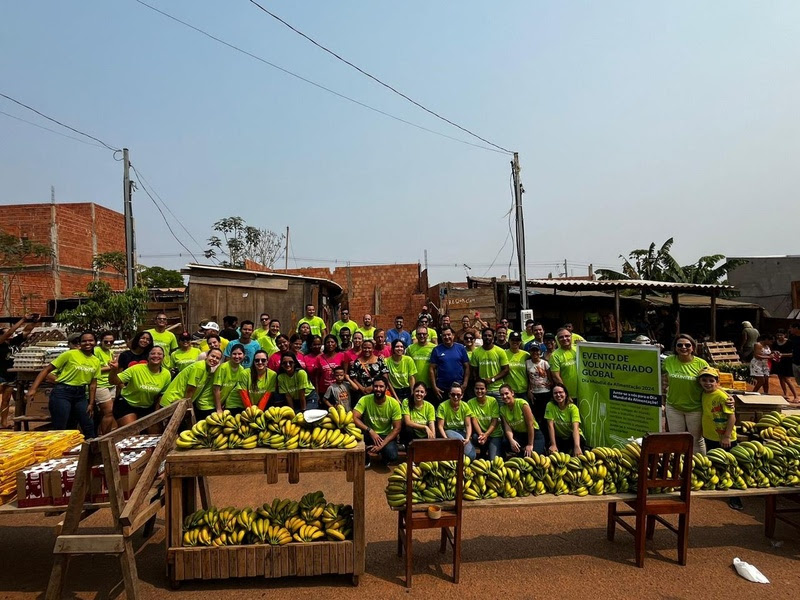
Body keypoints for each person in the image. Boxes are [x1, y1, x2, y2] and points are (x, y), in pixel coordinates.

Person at [26, 330, 99, 437]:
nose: (87, 343)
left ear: (95, 342)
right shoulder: (70, 354)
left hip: (80, 394)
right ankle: (59, 451)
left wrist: (91, 403)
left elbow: (93, 384)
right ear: (80, 343)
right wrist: (33, 389)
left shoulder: (95, 361)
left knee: (88, 424)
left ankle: (92, 451)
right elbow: (46, 370)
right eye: (84, 341)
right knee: (61, 425)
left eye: (90, 340)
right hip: (63, 392)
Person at [698, 367, 743, 510]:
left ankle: (735, 497)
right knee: (716, 463)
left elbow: (732, 417)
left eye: (711, 380)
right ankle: (720, 487)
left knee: (730, 466)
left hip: (725, 438)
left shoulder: (722, 396)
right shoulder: (704, 394)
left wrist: (727, 436)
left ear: (717, 382)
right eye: (704, 380)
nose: (708, 383)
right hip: (710, 436)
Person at [663, 334, 709, 455]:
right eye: (680, 345)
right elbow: (656, 372)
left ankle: (700, 467)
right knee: (676, 439)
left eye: (687, 345)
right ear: (675, 348)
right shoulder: (668, 361)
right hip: (674, 407)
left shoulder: (701, 364)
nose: (684, 347)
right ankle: (679, 466)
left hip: (695, 408)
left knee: (696, 440)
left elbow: (711, 382)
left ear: (693, 347)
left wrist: (725, 397)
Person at [110, 346, 172, 427]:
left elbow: (161, 395)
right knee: (131, 432)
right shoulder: (136, 369)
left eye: (159, 354)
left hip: (148, 407)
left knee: (155, 434)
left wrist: (157, 414)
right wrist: (114, 370)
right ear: (148, 356)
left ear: (163, 357)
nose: (156, 356)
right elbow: (113, 381)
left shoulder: (166, 374)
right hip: (127, 404)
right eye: (153, 353)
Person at [160, 348, 223, 420]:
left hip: (180, 401)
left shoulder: (208, 369)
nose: (214, 359)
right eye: (212, 356)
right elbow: (190, 390)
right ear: (207, 356)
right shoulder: (199, 367)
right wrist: (186, 408)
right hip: (172, 400)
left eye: (217, 358)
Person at [353, 376, 402, 467]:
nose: (378, 389)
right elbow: (354, 417)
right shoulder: (365, 399)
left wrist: (382, 445)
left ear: (386, 388)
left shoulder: (394, 403)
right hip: (369, 433)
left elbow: (397, 428)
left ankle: (382, 453)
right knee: (353, 432)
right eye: (375, 386)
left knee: (392, 456)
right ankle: (366, 456)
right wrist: (370, 430)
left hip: (386, 435)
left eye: (381, 386)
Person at [0, 314, 38, 428]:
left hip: (10, 375)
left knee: (6, 401)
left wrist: (34, 322)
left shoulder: (14, 342)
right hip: (0, 374)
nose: (11, 335)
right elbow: (9, 333)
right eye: (8, 333)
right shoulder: (0, 342)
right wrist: (22, 320)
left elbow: (27, 331)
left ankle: (3, 422)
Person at [498, 384, 545, 457]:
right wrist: (511, 441)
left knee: (533, 457)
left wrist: (530, 444)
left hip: (533, 434)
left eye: (506, 393)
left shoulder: (522, 403)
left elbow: (530, 425)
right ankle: (520, 451)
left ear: (512, 393)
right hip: (520, 436)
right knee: (505, 443)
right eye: (502, 395)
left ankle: (540, 449)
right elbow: (507, 428)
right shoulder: (502, 409)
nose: (504, 396)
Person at [429, 327, 470, 404]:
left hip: (458, 387)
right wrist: (434, 387)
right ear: (441, 337)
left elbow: (467, 367)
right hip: (442, 388)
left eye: (448, 335)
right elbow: (432, 369)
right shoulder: (437, 350)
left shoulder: (460, 348)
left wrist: (465, 384)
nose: (447, 337)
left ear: (453, 335)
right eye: (444, 335)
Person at [436, 383, 476, 460]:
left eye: (458, 395)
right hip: (448, 431)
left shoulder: (465, 406)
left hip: (461, 432)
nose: (455, 397)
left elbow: (468, 425)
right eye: (453, 394)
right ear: (449, 395)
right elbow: (440, 426)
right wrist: (446, 439)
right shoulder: (442, 406)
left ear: (462, 395)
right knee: (458, 443)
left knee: (472, 456)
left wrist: (467, 438)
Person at [545, 384, 587, 456]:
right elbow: (550, 426)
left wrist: (577, 446)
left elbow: (575, 428)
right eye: (555, 393)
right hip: (559, 438)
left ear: (566, 394)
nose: (558, 395)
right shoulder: (550, 406)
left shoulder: (573, 408)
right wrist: (553, 444)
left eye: (561, 392)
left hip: (573, 436)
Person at [470, 328, 509, 398]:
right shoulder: (476, 352)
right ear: (482, 337)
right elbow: (474, 371)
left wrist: (492, 379)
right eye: (485, 335)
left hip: (498, 389)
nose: (487, 337)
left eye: (489, 335)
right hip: (483, 390)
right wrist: (481, 382)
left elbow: (506, 370)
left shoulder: (500, 351)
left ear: (493, 337)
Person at [468, 379, 502, 459]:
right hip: (481, 434)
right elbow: (474, 420)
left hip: (494, 434)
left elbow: (495, 421)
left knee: (494, 460)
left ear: (486, 390)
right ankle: (483, 450)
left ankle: (498, 450)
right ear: (474, 389)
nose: (479, 391)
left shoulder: (493, 401)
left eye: (482, 389)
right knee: (475, 437)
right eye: (477, 388)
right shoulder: (470, 402)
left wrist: (486, 435)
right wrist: (481, 435)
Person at [212, 343, 250, 414]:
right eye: (234, 354)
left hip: (224, 404)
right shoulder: (223, 367)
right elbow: (215, 389)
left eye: (239, 354)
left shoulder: (242, 369)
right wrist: (218, 408)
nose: (237, 356)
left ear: (244, 355)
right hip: (213, 404)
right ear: (230, 355)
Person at [93, 331, 117, 434]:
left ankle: (102, 433)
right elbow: (94, 368)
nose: (108, 344)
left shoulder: (110, 352)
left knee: (106, 413)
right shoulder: (96, 351)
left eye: (111, 342)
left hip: (110, 383)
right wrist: (110, 367)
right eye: (106, 342)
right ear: (101, 341)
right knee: (109, 411)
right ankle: (106, 436)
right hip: (100, 383)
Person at [525, 345, 552, 426]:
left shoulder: (545, 363)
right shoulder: (527, 363)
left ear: (540, 352)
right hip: (534, 392)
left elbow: (550, 377)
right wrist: (529, 391)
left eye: (537, 351)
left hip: (545, 392)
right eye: (532, 351)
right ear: (530, 352)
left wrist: (550, 385)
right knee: (536, 414)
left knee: (546, 415)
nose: (535, 353)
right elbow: (527, 378)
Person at [406, 327, 436, 398]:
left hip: (430, 385)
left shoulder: (434, 348)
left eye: (424, 334)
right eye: (419, 334)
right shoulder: (410, 348)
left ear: (428, 335)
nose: (422, 336)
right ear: (416, 336)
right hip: (415, 385)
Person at [550, 328, 579, 399]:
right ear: (557, 340)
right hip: (569, 395)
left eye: (567, 336)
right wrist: (566, 394)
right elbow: (556, 377)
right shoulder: (555, 355)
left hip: (584, 392)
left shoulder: (578, 349)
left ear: (571, 336)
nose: (564, 338)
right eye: (561, 337)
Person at [772, 329, 798, 402]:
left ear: (785, 335)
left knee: (787, 379)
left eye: (781, 335)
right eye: (778, 335)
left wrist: (782, 355)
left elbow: (792, 354)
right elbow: (773, 350)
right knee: (780, 378)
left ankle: (796, 396)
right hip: (778, 362)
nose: (779, 336)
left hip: (787, 362)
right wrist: (775, 353)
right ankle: (785, 394)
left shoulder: (790, 343)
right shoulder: (775, 343)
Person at [504, 332, 529, 397]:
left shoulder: (526, 355)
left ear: (520, 342)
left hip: (524, 390)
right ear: (509, 341)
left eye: (517, 340)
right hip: (509, 391)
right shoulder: (503, 354)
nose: (515, 342)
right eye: (513, 340)